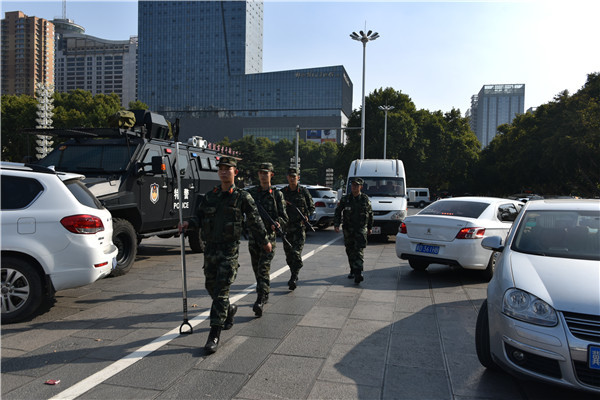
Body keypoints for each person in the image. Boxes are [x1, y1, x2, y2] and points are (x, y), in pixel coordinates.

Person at [179, 157, 272, 354]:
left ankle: (214, 333)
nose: (223, 172)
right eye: (220, 169)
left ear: (235, 173)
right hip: (210, 250)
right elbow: (199, 216)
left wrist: (264, 241)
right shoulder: (210, 196)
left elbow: (255, 220)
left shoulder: (242, 197)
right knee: (210, 286)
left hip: (229, 251)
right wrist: (188, 224)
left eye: (227, 169)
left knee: (221, 291)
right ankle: (229, 310)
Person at [246, 162, 288, 316]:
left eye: (266, 172)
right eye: (261, 173)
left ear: (272, 174)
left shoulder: (277, 195)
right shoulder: (251, 193)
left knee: (263, 269)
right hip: (253, 238)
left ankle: (260, 299)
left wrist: (278, 223)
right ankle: (264, 291)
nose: (263, 175)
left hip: (269, 240)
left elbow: (284, 217)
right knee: (257, 270)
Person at [333, 177, 373, 284]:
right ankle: (352, 269)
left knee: (358, 250)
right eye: (353, 185)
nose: (354, 187)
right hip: (348, 229)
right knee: (350, 250)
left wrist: (370, 227)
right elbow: (338, 211)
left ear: (361, 187)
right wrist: (336, 224)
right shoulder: (346, 199)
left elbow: (370, 214)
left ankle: (358, 272)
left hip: (360, 229)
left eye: (356, 185)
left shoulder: (365, 199)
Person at [281, 167, 315, 290]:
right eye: (290, 176)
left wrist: (307, 215)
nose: (292, 179)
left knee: (296, 253)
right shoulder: (283, 192)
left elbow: (311, 207)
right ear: (287, 178)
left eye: (294, 177)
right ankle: (293, 271)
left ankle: (294, 276)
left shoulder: (303, 192)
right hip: (286, 229)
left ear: (298, 178)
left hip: (299, 229)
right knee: (289, 255)